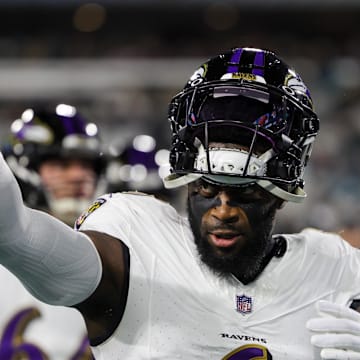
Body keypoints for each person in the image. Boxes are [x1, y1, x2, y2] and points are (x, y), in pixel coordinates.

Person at [0, 47, 358, 359]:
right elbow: (20, 236)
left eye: (246, 192)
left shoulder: (333, 266)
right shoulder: (138, 242)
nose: (222, 210)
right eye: (206, 187)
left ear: (279, 195)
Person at [0, 103, 106, 359]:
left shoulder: (116, 245)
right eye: (61, 163)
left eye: (86, 164)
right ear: (23, 167)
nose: (79, 175)